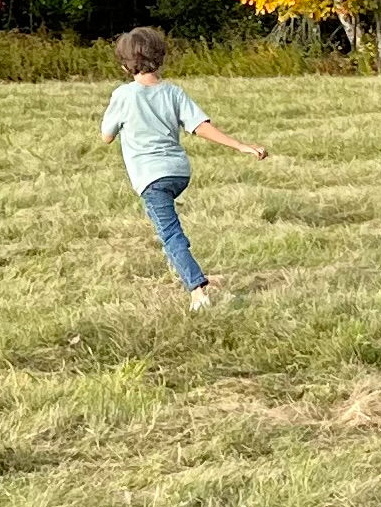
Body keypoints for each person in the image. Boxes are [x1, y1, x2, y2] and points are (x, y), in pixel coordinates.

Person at [100, 25, 266, 310]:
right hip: (178, 172)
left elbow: (106, 136)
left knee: (170, 234)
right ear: (160, 57)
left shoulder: (124, 96)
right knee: (169, 226)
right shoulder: (173, 93)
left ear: (127, 65)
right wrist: (240, 145)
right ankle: (184, 266)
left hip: (151, 178)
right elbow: (200, 126)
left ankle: (197, 290)